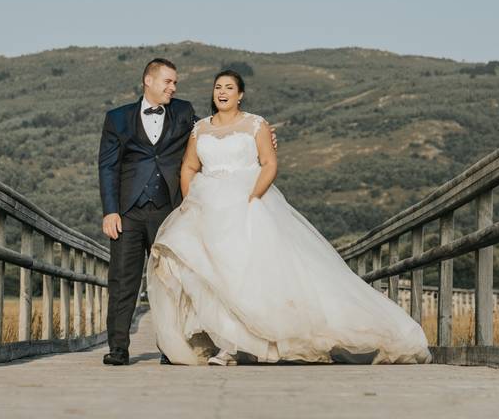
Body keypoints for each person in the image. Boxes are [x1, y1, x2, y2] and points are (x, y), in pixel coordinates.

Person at [146, 69, 431, 366]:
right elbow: (189, 168)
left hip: (247, 204)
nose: (222, 92)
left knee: (245, 275)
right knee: (212, 277)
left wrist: (253, 196)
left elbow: (269, 163)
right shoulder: (200, 129)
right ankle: (227, 344)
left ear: (240, 94)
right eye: (218, 87)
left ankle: (256, 343)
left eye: (229, 87)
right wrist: (193, 200)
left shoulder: (256, 125)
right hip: (206, 208)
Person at [97, 59, 276, 366]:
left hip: (169, 210)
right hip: (128, 212)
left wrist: (264, 137)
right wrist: (110, 211)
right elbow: (108, 167)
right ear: (148, 82)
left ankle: (172, 347)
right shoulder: (117, 119)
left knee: (175, 282)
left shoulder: (182, 112)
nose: (173, 87)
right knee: (123, 280)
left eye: (175, 83)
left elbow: (214, 132)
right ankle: (118, 348)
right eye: (168, 82)